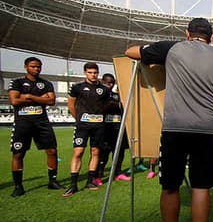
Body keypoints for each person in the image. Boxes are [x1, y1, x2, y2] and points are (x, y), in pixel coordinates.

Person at [125, 17, 213, 222]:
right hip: (206, 130)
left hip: (174, 128)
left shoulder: (171, 48)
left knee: (170, 185)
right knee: (201, 186)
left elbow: (131, 52)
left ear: (187, 33)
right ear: (212, 37)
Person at [8, 57, 63, 197]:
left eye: (39, 66)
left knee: (52, 151)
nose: (36, 69)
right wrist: (40, 98)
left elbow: (51, 101)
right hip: (22, 123)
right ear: (26, 66)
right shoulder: (17, 82)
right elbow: (14, 100)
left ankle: (52, 181)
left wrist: (28, 96)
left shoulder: (46, 83)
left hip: (42, 122)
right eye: (33, 66)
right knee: (18, 153)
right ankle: (18, 186)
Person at [63, 62, 111, 197]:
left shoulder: (105, 89)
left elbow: (107, 105)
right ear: (85, 73)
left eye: (95, 72)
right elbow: (71, 105)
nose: (93, 75)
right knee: (78, 152)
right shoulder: (77, 87)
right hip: (82, 126)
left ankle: (90, 181)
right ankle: (73, 185)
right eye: (90, 72)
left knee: (95, 152)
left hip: (98, 126)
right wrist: (78, 119)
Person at [97, 73, 131, 184]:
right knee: (104, 152)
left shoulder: (116, 95)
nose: (110, 85)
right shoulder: (100, 94)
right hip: (106, 128)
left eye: (112, 83)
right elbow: (99, 109)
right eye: (107, 82)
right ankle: (99, 174)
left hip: (118, 127)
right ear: (102, 82)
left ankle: (118, 172)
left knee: (120, 151)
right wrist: (110, 105)